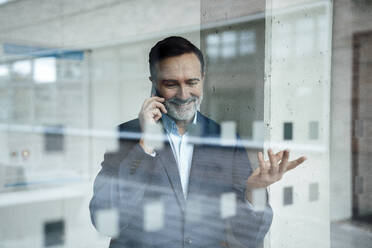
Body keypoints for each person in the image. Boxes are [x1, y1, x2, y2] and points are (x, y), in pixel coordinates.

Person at [89, 36, 306, 248]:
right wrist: (144, 147)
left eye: (192, 82)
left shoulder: (225, 139)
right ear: (154, 83)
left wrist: (254, 191)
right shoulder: (126, 135)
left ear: (203, 77)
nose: (184, 95)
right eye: (171, 84)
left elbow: (249, 235)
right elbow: (104, 221)